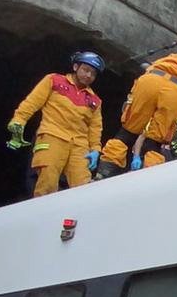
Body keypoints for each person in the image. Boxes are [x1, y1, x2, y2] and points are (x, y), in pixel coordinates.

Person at [95, 54, 177, 177]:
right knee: (155, 142)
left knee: (126, 133)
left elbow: (145, 67)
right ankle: (148, 178)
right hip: (176, 93)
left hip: (149, 81)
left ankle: (105, 170)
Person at [7, 51, 105, 197]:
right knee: (47, 180)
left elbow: (95, 128)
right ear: (75, 66)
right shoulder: (54, 80)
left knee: (83, 186)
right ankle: (42, 215)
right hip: (53, 135)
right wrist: (19, 121)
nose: (89, 76)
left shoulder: (94, 100)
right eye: (86, 70)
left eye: (93, 73)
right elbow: (32, 102)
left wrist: (96, 149)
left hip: (79, 145)